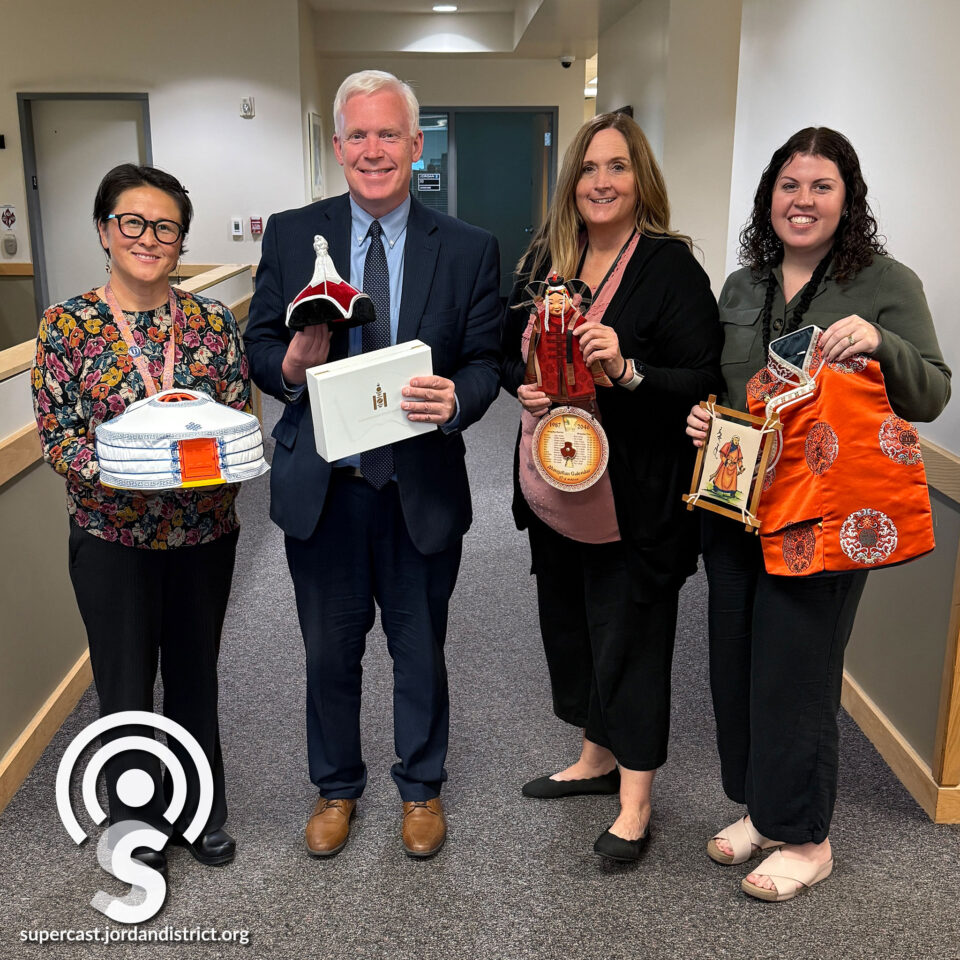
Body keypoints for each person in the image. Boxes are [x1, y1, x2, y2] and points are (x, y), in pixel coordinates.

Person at [686, 127, 951, 900]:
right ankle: (765, 812)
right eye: (789, 186)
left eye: (821, 186)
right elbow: (722, 383)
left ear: (848, 198)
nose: (802, 201)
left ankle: (807, 838)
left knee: (796, 673)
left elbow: (931, 392)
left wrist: (880, 343)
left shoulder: (884, 283)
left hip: (825, 514)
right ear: (770, 196)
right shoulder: (743, 286)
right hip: (737, 505)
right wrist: (703, 418)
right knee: (736, 663)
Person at [244, 70, 500, 859]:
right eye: (358, 135)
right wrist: (288, 365)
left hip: (417, 485)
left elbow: (487, 360)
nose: (373, 150)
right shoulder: (292, 235)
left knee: (420, 645)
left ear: (415, 145)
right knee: (329, 648)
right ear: (337, 147)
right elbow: (257, 348)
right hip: (326, 486)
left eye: (389, 134)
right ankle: (336, 787)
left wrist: (455, 399)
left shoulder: (466, 247)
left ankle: (420, 788)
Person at [502, 112, 721, 860]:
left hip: (634, 496)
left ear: (640, 181)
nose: (601, 181)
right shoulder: (545, 258)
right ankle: (595, 759)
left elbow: (703, 377)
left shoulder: (670, 268)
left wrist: (628, 371)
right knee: (572, 630)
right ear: (573, 181)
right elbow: (508, 351)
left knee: (631, 637)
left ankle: (636, 802)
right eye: (589, 168)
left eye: (618, 167)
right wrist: (524, 387)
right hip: (557, 486)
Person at [32, 164, 252, 874]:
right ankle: (134, 819)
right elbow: (59, 437)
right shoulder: (66, 326)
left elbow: (234, 419)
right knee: (125, 682)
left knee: (194, 675)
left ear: (180, 240)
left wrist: (207, 464)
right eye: (133, 222)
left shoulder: (213, 324)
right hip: (111, 540)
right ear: (105, 230)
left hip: (202, 536)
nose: (149, 238)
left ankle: (199, 812)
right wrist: (132, 470)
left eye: (165, 227)